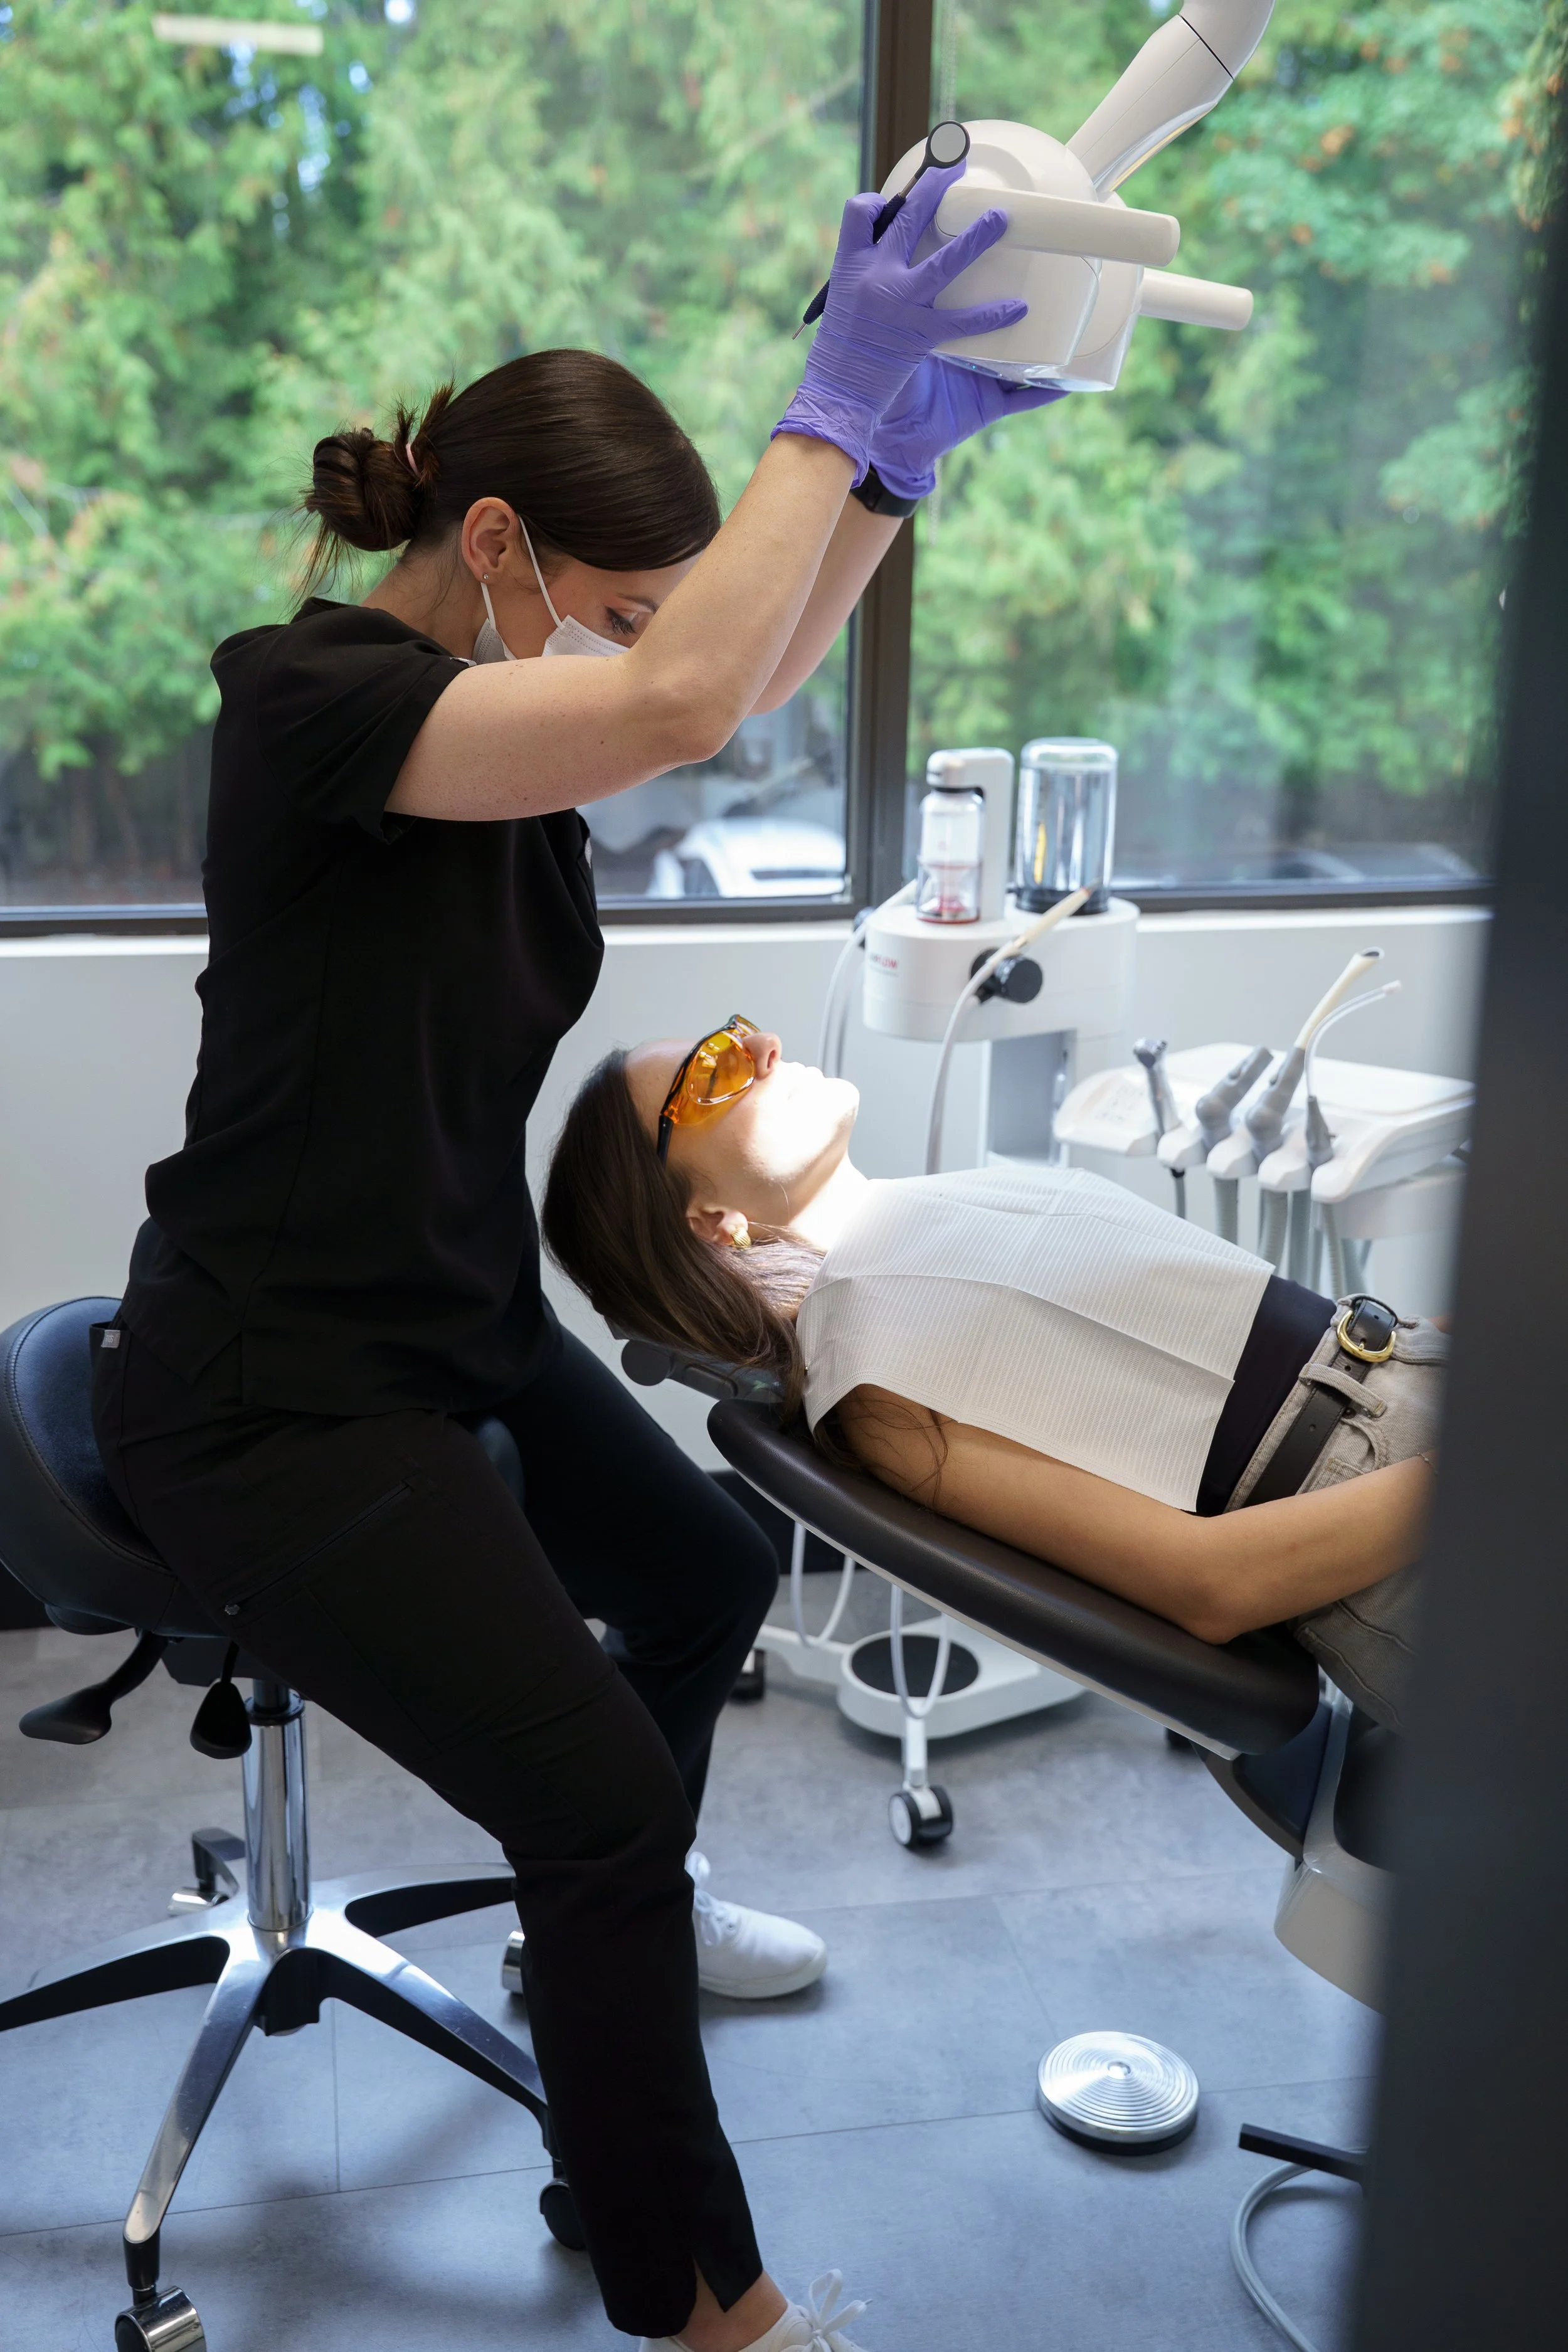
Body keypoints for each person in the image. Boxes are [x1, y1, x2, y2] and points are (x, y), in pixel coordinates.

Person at [90, 162, 1062, 2352]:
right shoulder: (315, 699)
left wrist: (885, 472)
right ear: (496, 544)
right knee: (601, 1799)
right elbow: (688, 697)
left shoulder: (502, 727)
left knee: (707, 1573)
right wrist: (833, 392)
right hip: (266, 1392)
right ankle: (710, 2305)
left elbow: (733, 665)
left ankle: (591, 1961)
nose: (639, 648)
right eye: (613, 606)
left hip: (442, 1323)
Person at [543, 1019, 1447, 1737]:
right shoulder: (876, 1388)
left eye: (740, 1035)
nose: (767, 1047)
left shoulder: (916, 1217)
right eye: (717, 1071)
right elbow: (1212, 1586)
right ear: (711, 1220)